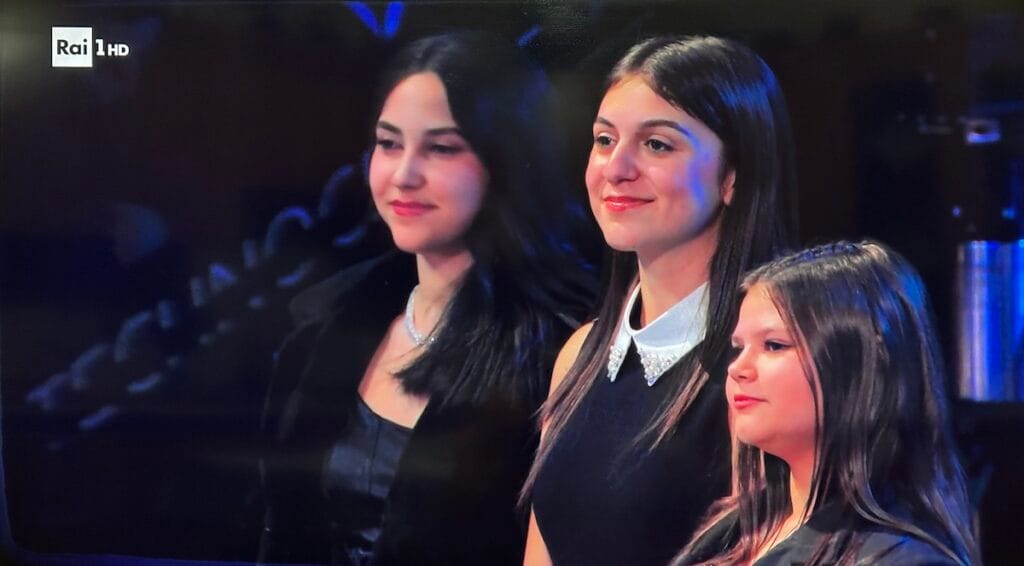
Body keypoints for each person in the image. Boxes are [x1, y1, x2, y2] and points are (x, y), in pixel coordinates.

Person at [257, 31, 595, 565]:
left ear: (506, 159)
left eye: (441, 148)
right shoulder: (331, 319)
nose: (403, 175)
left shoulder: (564, 347)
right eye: (389, 144)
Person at [523, 35, 798, 566]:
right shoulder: (578, 356)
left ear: (733, 175)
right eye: (605, 139)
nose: (616, 168)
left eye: (657, 144)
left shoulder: (767, 370)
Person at [674, 241, 979, 565]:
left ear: (860, 365)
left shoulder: (904, 559)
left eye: (774, 345)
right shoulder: (732, 532)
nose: (737, 368)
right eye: (739, 348)